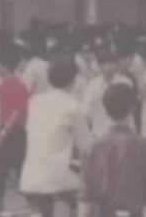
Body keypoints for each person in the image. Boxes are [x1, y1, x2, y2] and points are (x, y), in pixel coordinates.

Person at [78, 83, 146, 217]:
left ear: (106, 110)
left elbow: (87, 197)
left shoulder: (92, 148)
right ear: (132, 108)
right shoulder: (145, 146)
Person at [20, 60, 91, 217]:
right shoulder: (72, 106)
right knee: (84, 196)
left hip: (29, 176)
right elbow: (87, 148)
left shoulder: (34, 102)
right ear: (73, 80)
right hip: (57, 177)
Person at [0, 45, 29, 209]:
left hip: (12, 132)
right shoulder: (16, 84)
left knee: (0, 172)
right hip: (15, 132)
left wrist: (2, 134)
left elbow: (16, 112)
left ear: (5, 65)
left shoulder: (10, 85)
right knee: (18, 170)